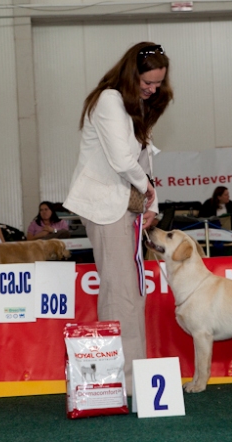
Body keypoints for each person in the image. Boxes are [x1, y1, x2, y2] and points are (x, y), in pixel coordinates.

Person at [63, 42, 173, 390]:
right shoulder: (109, 100)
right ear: (131, 73)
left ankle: (136, 377)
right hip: (105, 207)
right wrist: (148, 191)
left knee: (131, 294)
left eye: (158, 84)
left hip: (125, 207)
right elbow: (122, 160)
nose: (152, 89)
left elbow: (143, 160)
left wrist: (152, 204)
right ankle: (123, 384)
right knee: (120, 294)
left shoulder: (134, 104)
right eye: (147, 82)